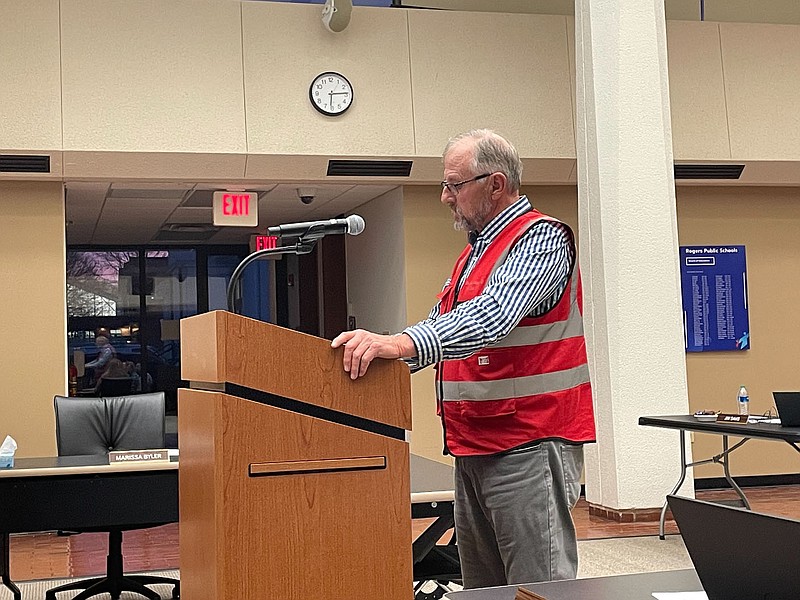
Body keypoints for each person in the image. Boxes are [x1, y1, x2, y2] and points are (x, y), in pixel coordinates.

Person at [331, 129, 596, 589]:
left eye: (455, 185)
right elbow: (440, 333)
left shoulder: (541, 239)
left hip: (527, 444)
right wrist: (371, 358)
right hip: (475, 445)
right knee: (484, 589)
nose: (444, 197)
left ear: (495, 184)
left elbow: (491, 316)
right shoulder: (472, 256)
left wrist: (397, 343)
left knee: (537, 588)